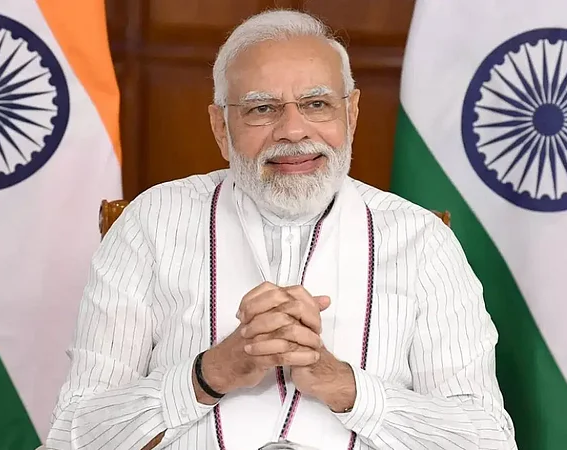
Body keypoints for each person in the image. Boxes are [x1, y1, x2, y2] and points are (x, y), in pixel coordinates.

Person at [46, 9, 517, 450]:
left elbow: (489, 440)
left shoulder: (420, 240)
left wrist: (344, 386)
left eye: (316, 103)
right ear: (220, 126)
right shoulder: (150, 223)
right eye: (262, 109)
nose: (293, 130)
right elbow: (71, 436)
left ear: (350, 115)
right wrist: (211, 374)